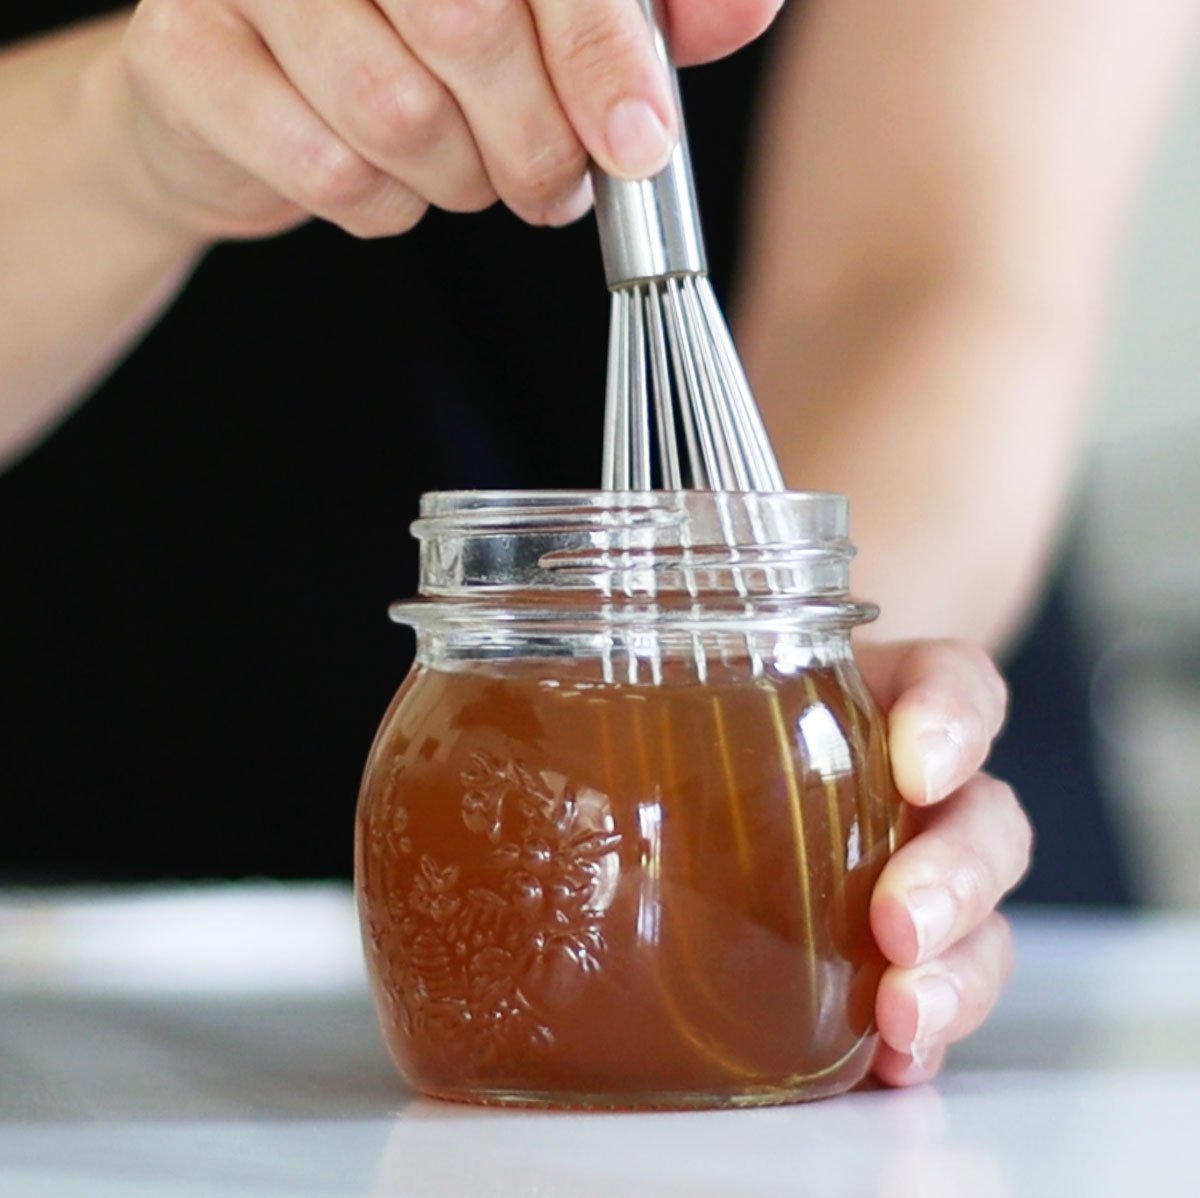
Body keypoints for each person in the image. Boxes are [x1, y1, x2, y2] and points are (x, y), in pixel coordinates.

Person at [5, 0, 1182, 1087]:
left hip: (897, 1061)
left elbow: (931, 284)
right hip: (66, 942)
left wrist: (767, 727)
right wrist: (132, 135)